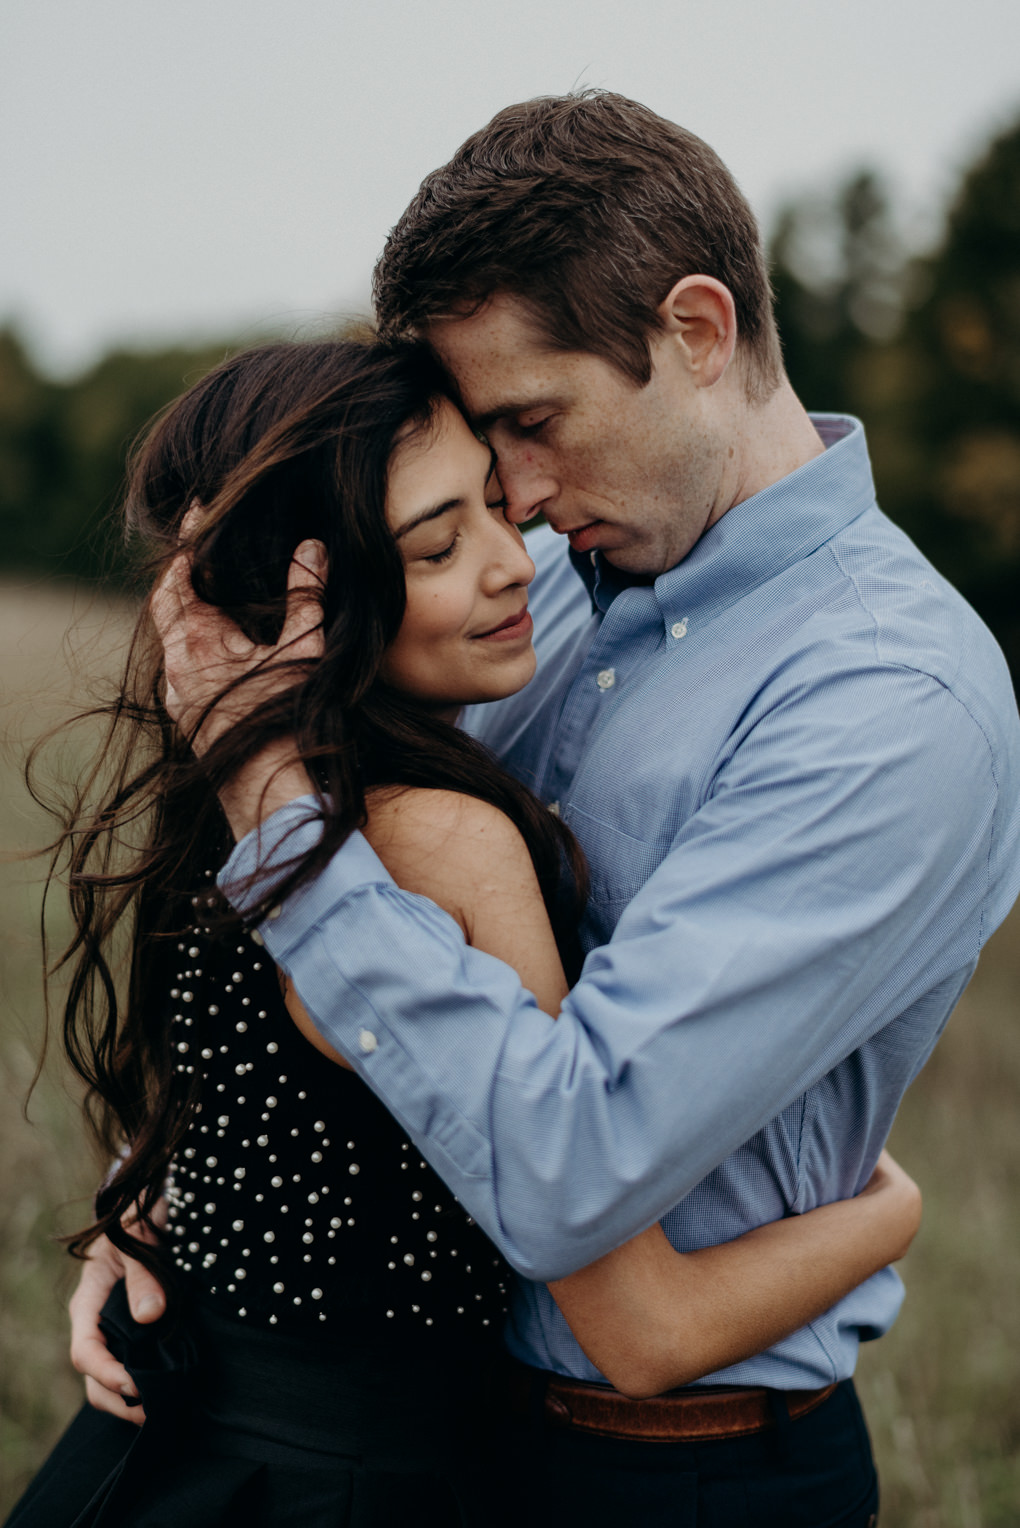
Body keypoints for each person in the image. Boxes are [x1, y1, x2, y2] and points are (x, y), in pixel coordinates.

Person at [76, 91, 1020, 1525]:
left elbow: (576, 1169)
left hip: (674, 1469)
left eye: (532, 422)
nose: (512, 497)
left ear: (697, 334)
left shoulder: (889, 701)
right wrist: (168, 1205)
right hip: (431, 1426)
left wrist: (275, 816)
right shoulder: (543, 592)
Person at [9, 338, 920, 1528]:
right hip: (347, 1483)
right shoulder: (441, 840)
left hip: (166, 1444)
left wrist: (144, 1194)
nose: (514, 566)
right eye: (438, 547)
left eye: (500, 507)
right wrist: (889, 1212)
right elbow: (642, 1326)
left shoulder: (238, 797)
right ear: (308, 605)